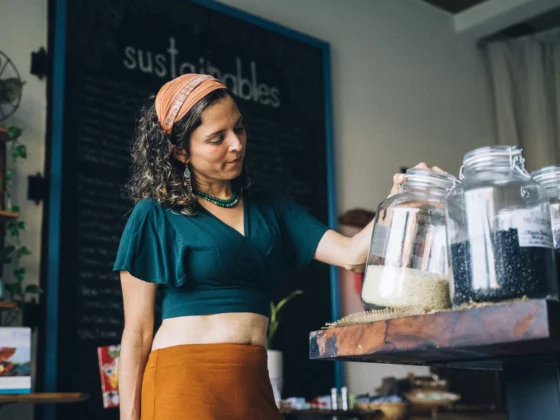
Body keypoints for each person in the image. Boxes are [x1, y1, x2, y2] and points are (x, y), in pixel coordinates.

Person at [113, 73, 440, 420]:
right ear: (180, 151)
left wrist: (401, 197)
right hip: (184, 380)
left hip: (252, 379)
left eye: (239, 128)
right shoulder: (155, 215)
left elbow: (353, 255)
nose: (236, 144)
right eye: (216, 138)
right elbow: (137, 333)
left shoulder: (272, 209)